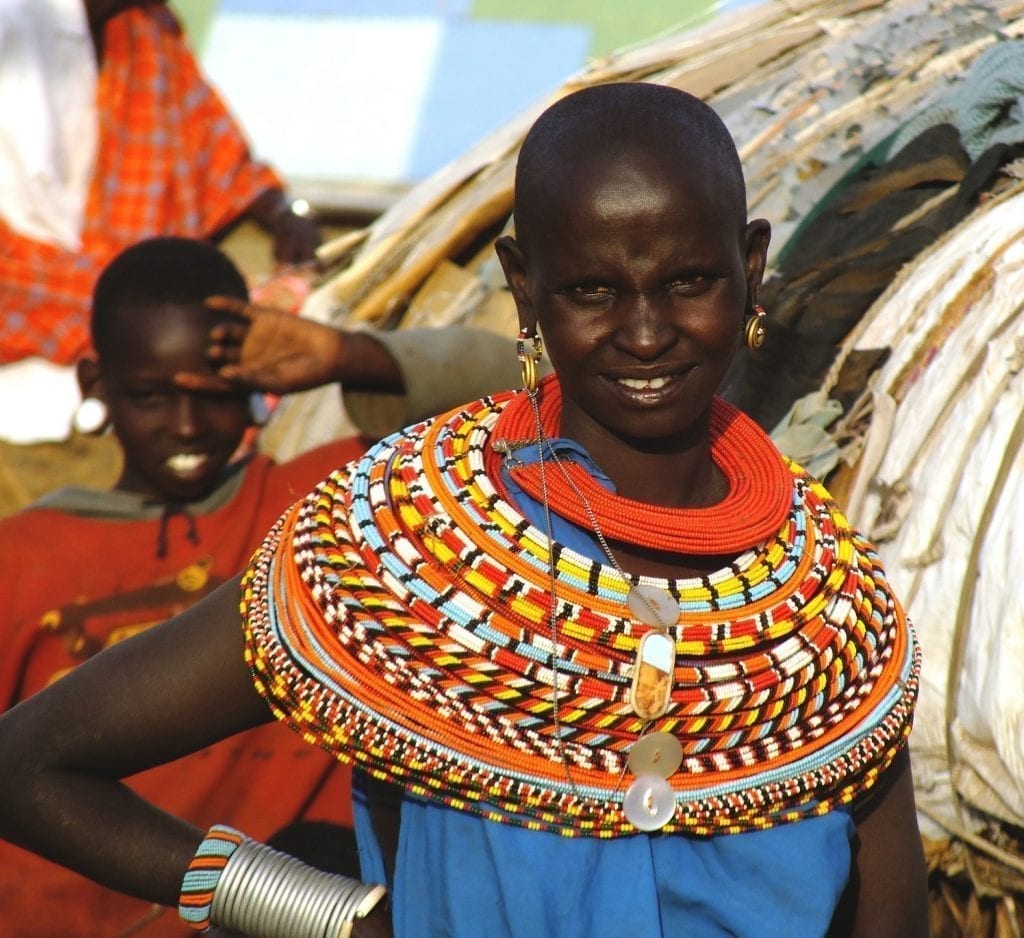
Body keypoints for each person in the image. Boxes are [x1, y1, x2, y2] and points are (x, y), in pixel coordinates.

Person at [0, 84, 929, 937]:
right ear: (524, 286)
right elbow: (30, 766)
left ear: (751, 266)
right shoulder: (407, 544)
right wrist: (325, 917)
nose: (647, 333)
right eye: (591, 291)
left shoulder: (831, 608)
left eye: (690, 281)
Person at [0, 235, 521, 936]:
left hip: (307, 916)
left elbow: (530, 398)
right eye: (152, 397)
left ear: (254, 389)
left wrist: (348, 356)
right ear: (95, 384)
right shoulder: (25, 556)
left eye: (216, 397)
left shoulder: (319, 505)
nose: (186, 426)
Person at [0, 0, 320, 444]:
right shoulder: (14, 28)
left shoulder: (147, 29)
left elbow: (213, 145)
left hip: (133, 276)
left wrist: (285, 215)